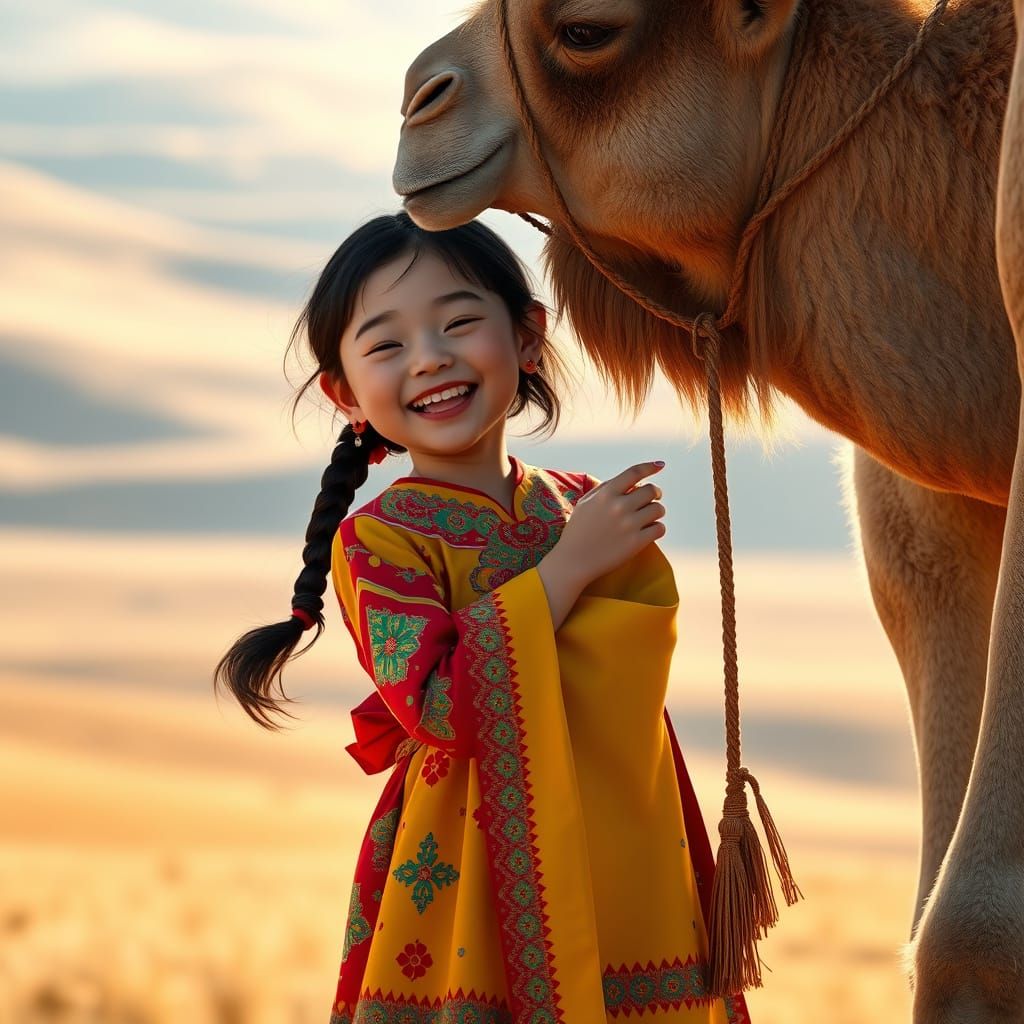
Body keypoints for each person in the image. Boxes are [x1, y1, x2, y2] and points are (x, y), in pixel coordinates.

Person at [214, 211, 750, 1023]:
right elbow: (439, 708)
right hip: (470, 870)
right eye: (386, 345)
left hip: (627, 853)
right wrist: (569, 570)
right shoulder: (378, 543)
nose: (431, 357)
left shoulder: (577, 501)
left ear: (528, 336)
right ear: (344, 392)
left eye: (461, 322)